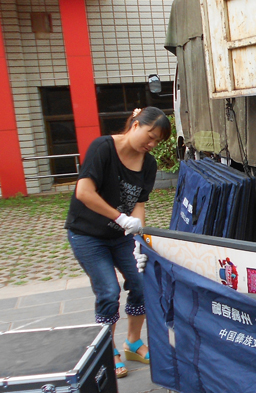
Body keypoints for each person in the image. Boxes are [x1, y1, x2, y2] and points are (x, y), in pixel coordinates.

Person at [65, 107, 171, 379]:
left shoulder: (148, 164)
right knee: (109, 291)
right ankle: (106, 350)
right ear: (135, 125)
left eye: (158, 141)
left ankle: (132, 343)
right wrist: (121, 218)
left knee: (142, 282)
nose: (152, 144)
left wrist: (140, 240)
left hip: (121, 237)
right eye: (150, 136)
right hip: (87, 235)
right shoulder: (103, 148)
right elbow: (84, 192)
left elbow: (139, 205)